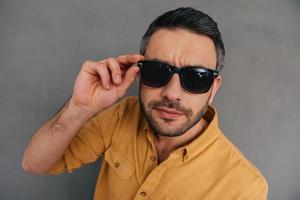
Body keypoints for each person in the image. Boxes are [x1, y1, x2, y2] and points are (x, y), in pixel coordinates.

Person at [22, 7, 268, 200]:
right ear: (138, 73)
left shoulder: (244, 188)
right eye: (157, 71)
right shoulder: (121, 116)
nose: (172, 93)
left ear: (213, 89)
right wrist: (79, 107)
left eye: (196, 77)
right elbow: (35, 163)